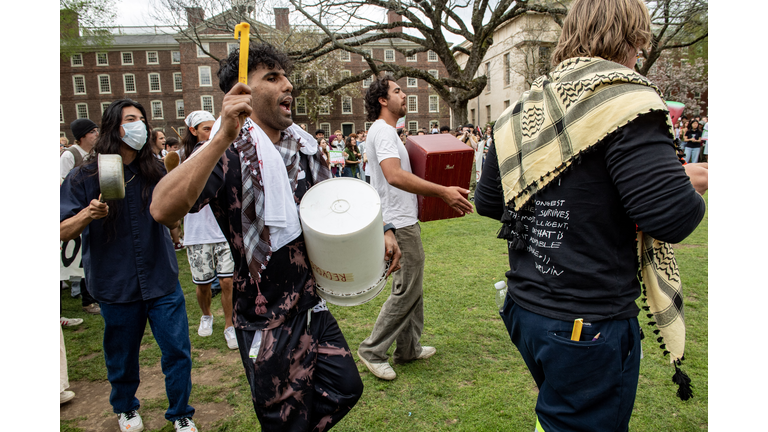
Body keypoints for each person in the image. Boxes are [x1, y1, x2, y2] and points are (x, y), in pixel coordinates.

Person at [475, 0, 708, 430]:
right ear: (633, 38)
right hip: (586, 320)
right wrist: (689, 182)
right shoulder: (624, 100)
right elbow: (672, 217)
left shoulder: (522, 109)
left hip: (525, 308)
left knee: (559, 416)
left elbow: (489, 201)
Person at [150, 43, 402, 432]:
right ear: (241, 93)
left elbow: (333, 203)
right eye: (272, 77)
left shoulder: (303, 148)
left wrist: (383, 229)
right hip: (264, 320)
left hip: (310, 303)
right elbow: (162, 209)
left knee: (346, 388)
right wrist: (218, 139)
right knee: (285, 420)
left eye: (285, 76)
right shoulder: (226, 152)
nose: (288, 85)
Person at [60, 99, 197, 432]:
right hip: (115, 282)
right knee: (122, 357)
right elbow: (60, 228)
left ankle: (180, 414)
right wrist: (86, 215)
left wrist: (176, 219)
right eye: (131, 119)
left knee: (177, 351)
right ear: (113, 127)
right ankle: (125, 408)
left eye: (142, 119)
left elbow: (173, 216)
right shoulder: (85, 176)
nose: (140, 125)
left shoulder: (156, 169)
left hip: (160, 277)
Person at [357, 75, 473, 381]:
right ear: (383, 100)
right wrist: (442, 191)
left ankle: (408, 348)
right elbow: (393, 176)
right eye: (397, 91)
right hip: (399, 223)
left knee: (411, 288)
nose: (404, 94)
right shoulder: (382, 132)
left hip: (404, 220)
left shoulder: (389, 133)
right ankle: (372, 350)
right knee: (407, 291)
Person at [181, 110, 238, 350]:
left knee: (228, 283)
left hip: (223, 230)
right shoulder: (181, 158)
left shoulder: (225, 156)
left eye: (213, 128)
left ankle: (229, 325)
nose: (211, 133)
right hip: (197, 233)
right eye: (206, 129)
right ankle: (206, 315)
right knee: (203, 284)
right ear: (193, 131)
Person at [60, 118, 101, 317]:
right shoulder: (71, 155)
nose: (96, 134)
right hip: (77, 211)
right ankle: (86, 298)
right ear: (82, 136)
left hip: (94, 210)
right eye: (92, 131)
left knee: (86, 258)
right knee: (78, 259)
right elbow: (62, 181)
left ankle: (90, 296)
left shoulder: (95, 155)